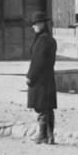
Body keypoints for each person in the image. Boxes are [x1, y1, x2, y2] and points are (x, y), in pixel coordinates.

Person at [26, 10, 58, 144]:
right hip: (48, 77)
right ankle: (50, 136)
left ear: (41, 24)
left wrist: (30, 76)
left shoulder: (41, 40)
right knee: (48, 107)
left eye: (35, 24)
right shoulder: (50, 39)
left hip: (39, 79)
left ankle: (42, 135)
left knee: (40, 107)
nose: (33, 27)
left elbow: (37, 61)